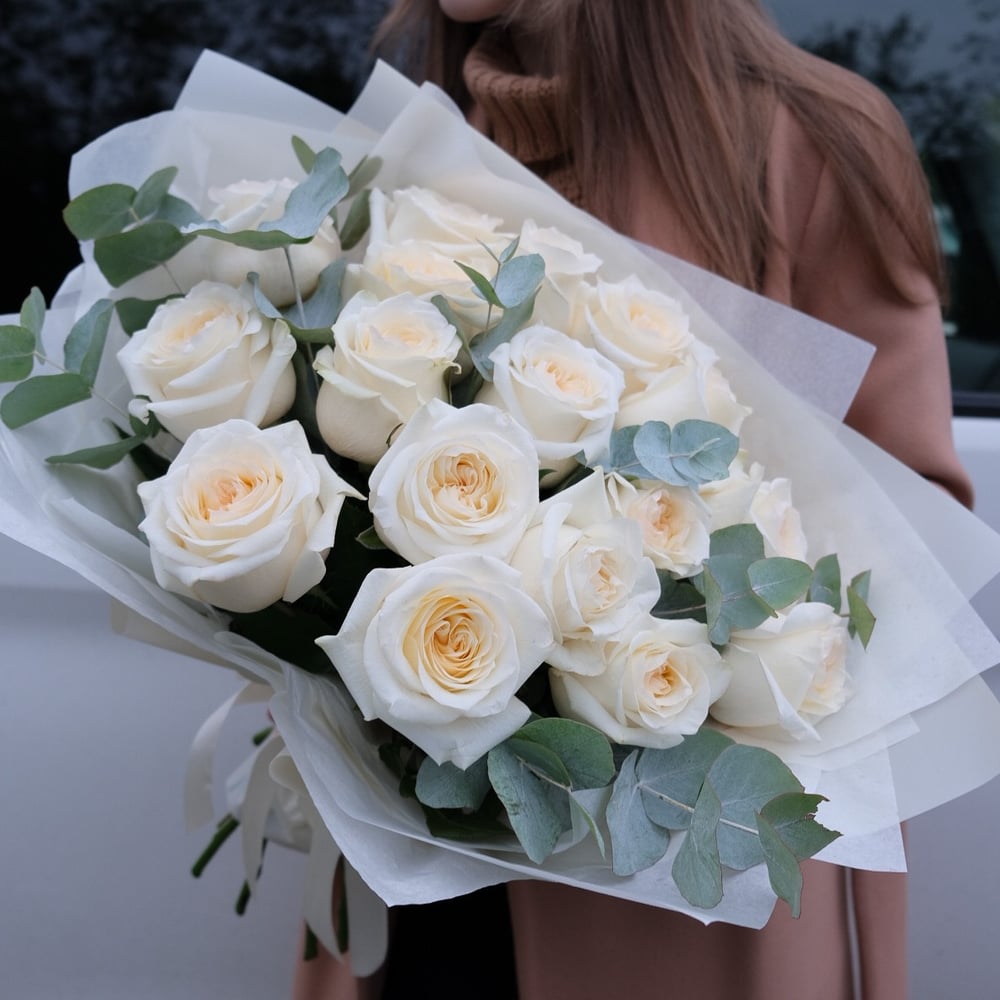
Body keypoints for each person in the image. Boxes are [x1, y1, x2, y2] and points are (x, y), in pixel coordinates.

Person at [293, 1, 974, 997]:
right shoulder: (413, 135)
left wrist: (652, 596)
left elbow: (907, 550)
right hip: (423, 849)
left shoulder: (806, 142)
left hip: (674, 881)